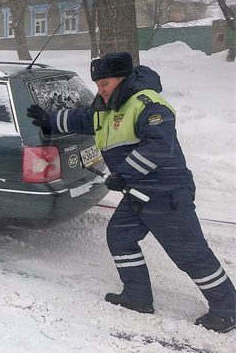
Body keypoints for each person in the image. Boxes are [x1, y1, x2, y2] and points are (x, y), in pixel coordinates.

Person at [26, 52, 235, 333]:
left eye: (106, 83)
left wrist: (124, 173)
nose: (100, 88)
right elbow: (85, 119)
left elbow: (159, 147)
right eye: (97, 83)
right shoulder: (107, 105)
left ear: (123, 78)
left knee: (190, 253)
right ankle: (137, 297)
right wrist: (50, 120)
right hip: (138, 192)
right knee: (120, 236)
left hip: (166, 192)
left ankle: (228, 309)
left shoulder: (147, 103)